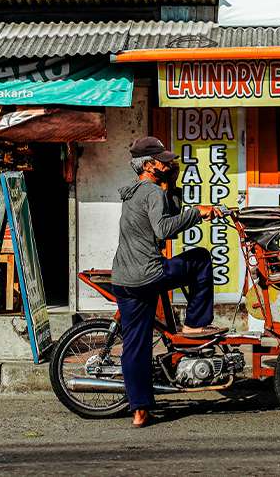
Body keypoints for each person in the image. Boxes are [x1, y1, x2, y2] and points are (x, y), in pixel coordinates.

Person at [111, 136, 224, 428]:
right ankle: (195, 323)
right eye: (163, 161)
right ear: (149, 166)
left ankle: (139, 410)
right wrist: (198, 213)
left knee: (135, 346)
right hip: (148, 274)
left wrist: (171, 186)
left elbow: (166, 223)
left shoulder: (137, 192)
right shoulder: (150, 192)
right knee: (200, 258)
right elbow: (164, 229)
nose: (169, 163)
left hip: (124, 278)